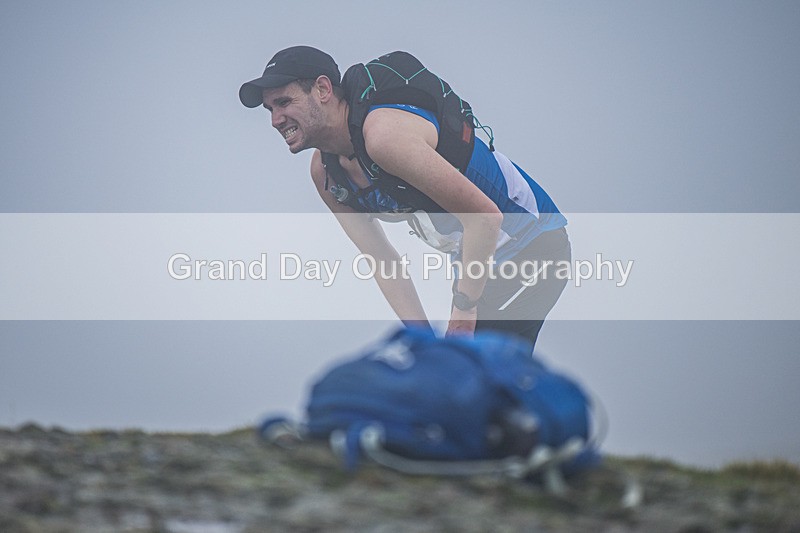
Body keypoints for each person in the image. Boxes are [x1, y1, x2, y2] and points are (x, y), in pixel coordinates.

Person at [240, 46, 571, 348]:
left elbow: (485, 217)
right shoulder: (325, 174)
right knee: (459, 382)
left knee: (475, 385)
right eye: (269, 109)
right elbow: (382, 260)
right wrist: (422, 340)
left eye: (284, 102)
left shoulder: (385, 137)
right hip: (481, 264)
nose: (275, 120)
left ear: (323, 90)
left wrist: (463, 312)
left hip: (533, 242)